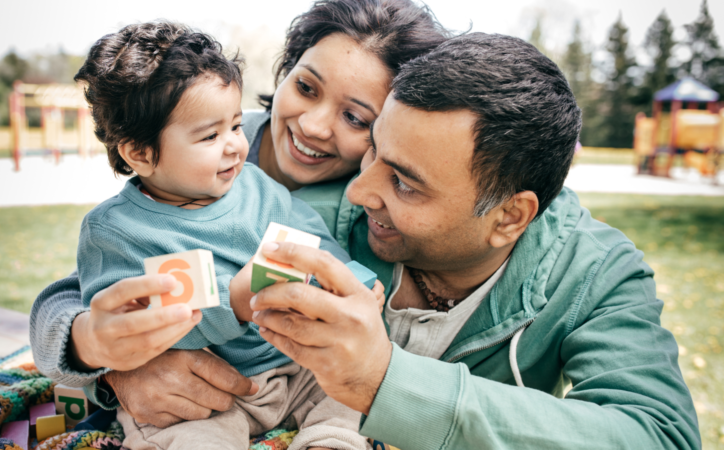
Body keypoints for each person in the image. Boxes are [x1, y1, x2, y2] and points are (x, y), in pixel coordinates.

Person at [249, 34, 701, 449]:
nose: (359, 191)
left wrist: (385, 380)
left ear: (509, 217)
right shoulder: (315, 218)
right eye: (373, 149)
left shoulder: (593, 272)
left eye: (405, 183)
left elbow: (660, 435)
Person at [29, 0, 448, 431]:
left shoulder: (361, 198)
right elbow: (87, 298)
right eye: (306, 87)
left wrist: (356, 282)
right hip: (215, 395)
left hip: (294, 373)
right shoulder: (187, 141)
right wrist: (106, 359)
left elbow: (325, 254)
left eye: (355, 117)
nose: (314, 125)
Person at [71, 21, 384, 450]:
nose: (235, 145)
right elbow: (130, 333)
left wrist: (351, 280)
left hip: (294, 367)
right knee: (184, 432)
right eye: (210, 136)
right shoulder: (118, 232)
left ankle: (329, 440)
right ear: (140, 153)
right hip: (206, 391)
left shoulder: (255, 186)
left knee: (353, 390)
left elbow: (313, 242)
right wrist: (232, 302)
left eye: (236, 126)